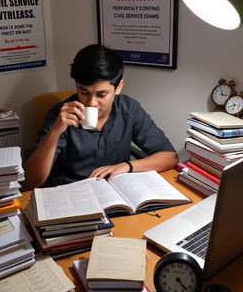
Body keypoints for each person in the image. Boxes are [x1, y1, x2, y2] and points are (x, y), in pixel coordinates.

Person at [25, 44, 178, 189]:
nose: (91, 103)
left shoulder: (129, 109)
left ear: (118, 87)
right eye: (84, 92)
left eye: (101, 94)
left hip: (114, 190)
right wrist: (55, 132)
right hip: (73, 192)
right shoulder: (61, 115)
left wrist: (127, 166)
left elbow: (170, 157)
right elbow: (32, 181)